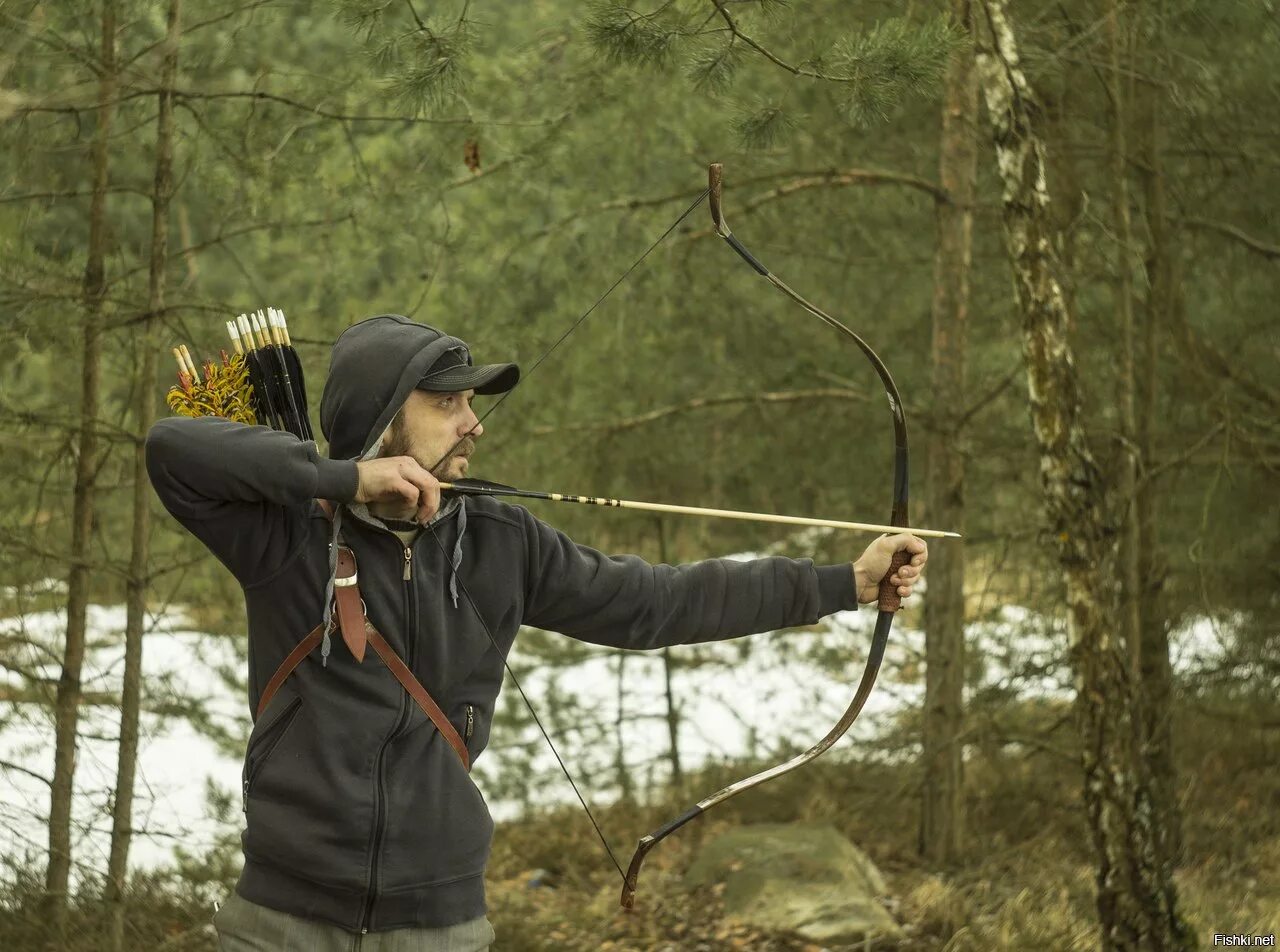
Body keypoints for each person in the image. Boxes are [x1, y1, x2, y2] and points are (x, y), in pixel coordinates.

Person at [145, 314, 927, 951]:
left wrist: (844, 584)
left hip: (438, 925)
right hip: (280, 923)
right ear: (385, 419)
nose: (473, 423)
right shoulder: (284, 537)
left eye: (472, 403)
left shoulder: (498, 541)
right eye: (447, 403)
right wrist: (343, 480)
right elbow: (172, 449)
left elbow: (655, 602)